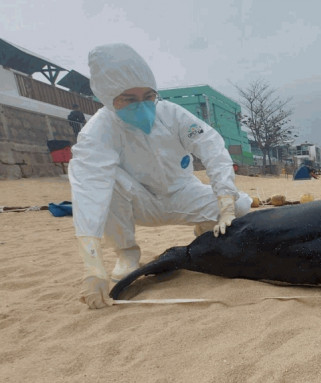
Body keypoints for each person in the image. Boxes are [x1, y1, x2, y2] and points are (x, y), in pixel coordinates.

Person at [69, 43, 252, 309]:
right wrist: (92, 264)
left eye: (148, 96)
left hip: (182, 193)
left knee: (240, 208)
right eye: (129, 99)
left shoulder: (171, 114)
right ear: (108, 97)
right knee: (109, 185)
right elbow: (89, 189)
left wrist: (224, 201)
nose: (142, 106)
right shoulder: (98, 131)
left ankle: (204, 230)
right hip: (138, 201)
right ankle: (127, 253)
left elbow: (211, 146)